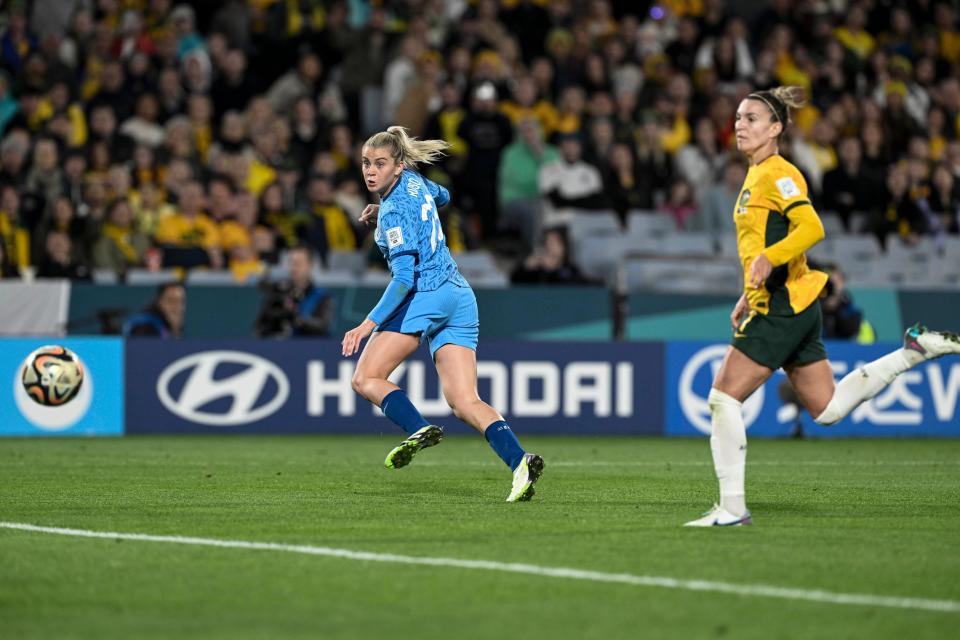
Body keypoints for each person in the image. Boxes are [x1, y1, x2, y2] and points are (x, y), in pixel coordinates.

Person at [686, 86, 960, 527]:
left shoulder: (779, 173)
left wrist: (768, 264)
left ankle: (732, 508)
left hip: (783, 305)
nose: (740, 123)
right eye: (738, 116)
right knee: (828, 409)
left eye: (752, 118)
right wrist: (748, 291)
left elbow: (811, 227)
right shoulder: (755, 175)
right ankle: (914, 351)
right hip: (787, 300)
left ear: (776, 128)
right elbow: (762, 246)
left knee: (722, 398)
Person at [342, 126, 544, 502]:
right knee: (464, 401)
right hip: (459, 294)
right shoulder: (416, 183)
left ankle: (417, 428)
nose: (371, 171)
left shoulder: (394, 213)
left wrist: (367, 324)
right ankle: (520, 461)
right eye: (367, 163)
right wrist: (383, 209)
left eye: (380, 164)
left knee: (366, 378)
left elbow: (403, 279)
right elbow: (445, 195)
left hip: (427, 295)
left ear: (398, 166)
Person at [255, 245, 333, 338]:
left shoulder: (322, 295)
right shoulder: (278, 293)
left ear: (309, 265)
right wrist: (275, 318)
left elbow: (323, 326)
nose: (294, 267)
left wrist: (296, 319)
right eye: (291, 263)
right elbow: (259, 329)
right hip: (282, 347)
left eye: (298, 263)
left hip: (310, 348)